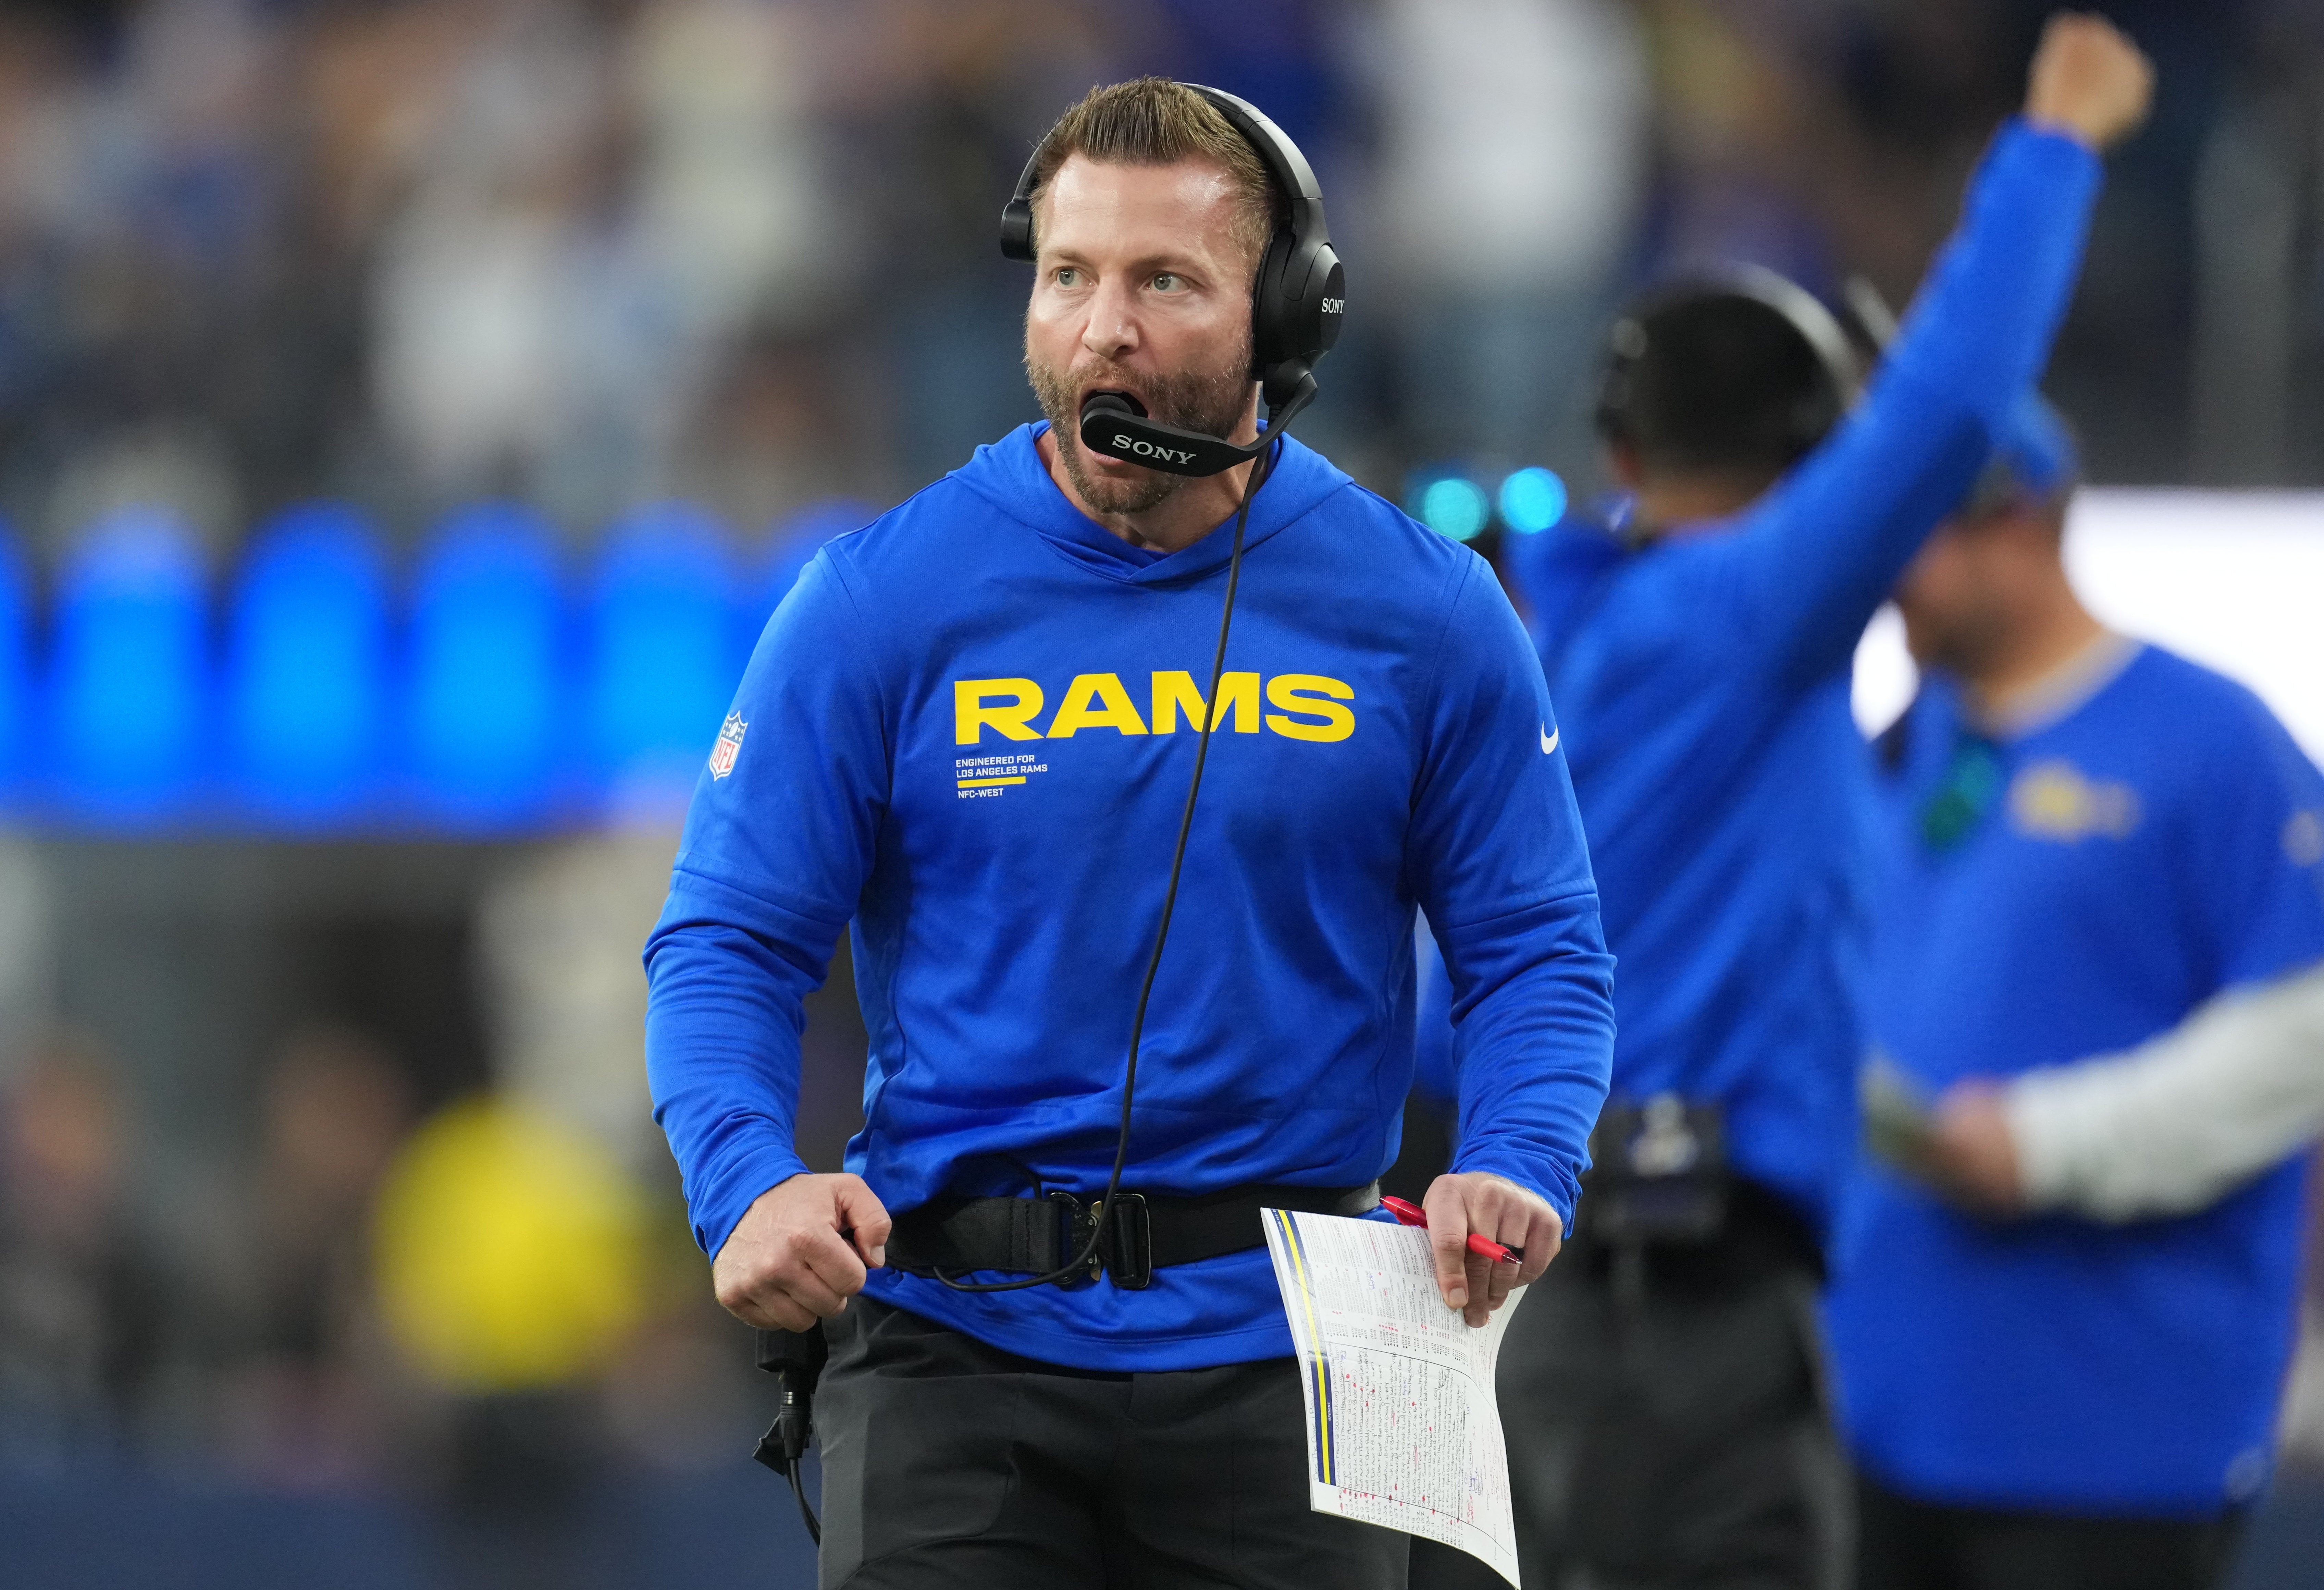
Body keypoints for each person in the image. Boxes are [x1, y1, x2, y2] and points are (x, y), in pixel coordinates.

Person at [642, 77, 1616, 1589]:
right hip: (954, 1351)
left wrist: (1522, 1156)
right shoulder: (878, 600)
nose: (1106, 327)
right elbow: (728, 941)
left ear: (1281, 318)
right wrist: (744, 1175)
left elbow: (1539, 946)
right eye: (1070, 275)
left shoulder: (1425, 613)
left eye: (1166, 280)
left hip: (1301, 1355)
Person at [1409, 16, 2155, 1590]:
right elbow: (1950, 409)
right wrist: (2056, 140)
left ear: (1618, 446)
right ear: (1819, 470)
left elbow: (1427, 1013)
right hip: (1678, 1305)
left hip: (1540, 1287)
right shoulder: (1734, 617)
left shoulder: (1538, 639)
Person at [1826, 415, 2324, 1590]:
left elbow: (2303, 1030)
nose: (1881, 569)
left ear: (2013, 521)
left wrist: (2054, 1146)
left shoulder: (2212, 744)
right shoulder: (1909, 741)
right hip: (1886, 1410)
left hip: (2106, 1435)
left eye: (1913, 533)